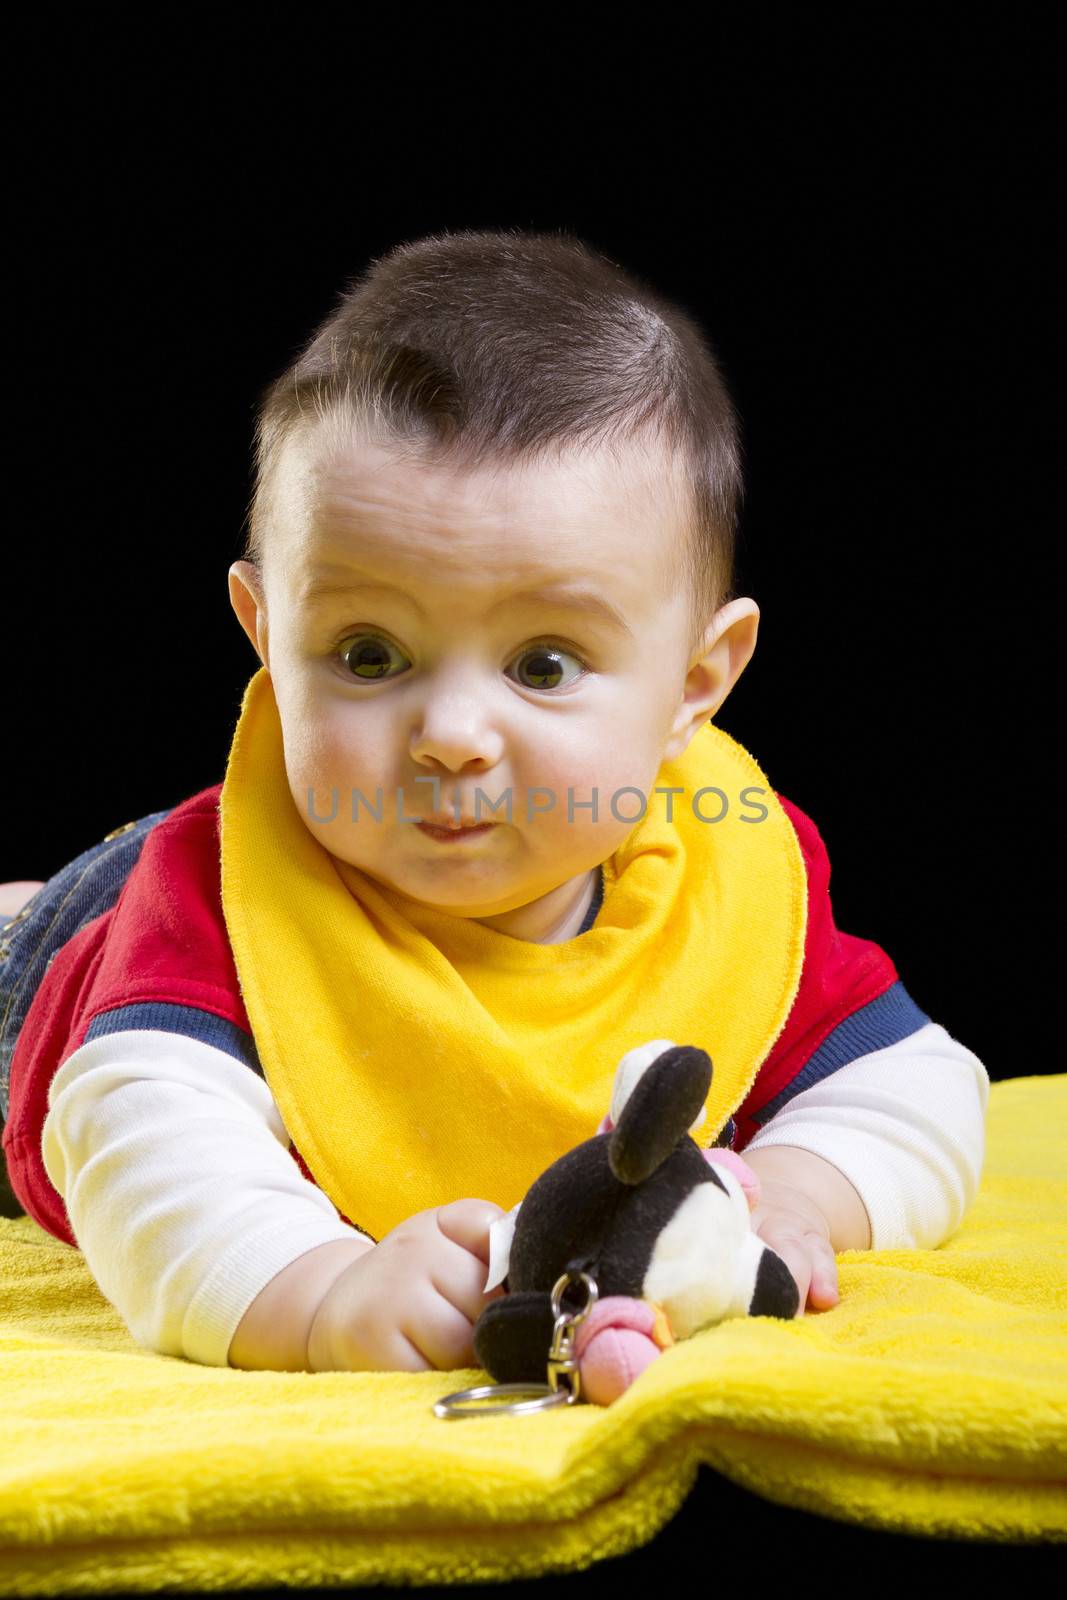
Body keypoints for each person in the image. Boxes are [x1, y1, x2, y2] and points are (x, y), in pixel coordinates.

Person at [0, 229, 989, 1376]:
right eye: (369, 654)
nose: (452, 737)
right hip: (75, 957)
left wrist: (799, 1194)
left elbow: (916, 1082)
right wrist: (316, 1292)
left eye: (544, 665)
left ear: (693, 685)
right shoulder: (218, 904)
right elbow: (137, 1132)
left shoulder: (718, 890)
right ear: (269, 639)